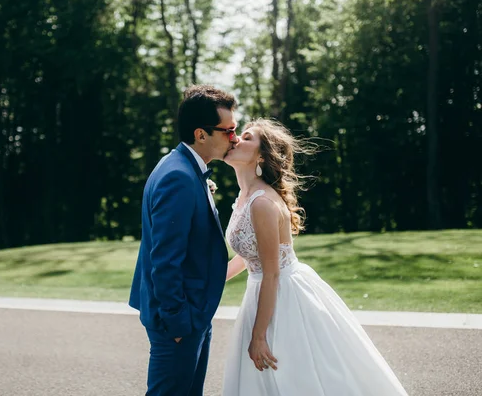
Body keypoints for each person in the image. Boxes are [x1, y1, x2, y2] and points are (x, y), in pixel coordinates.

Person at [222, 118, 409, 396]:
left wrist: (259, 336)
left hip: (284, 297)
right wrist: (212, 279)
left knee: (296, 374)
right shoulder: (245, 196)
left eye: (247, 137)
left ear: (261, 155)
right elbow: (251, 257)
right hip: (262, 291)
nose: (237, 139)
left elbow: (272, 273)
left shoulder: (261, 202)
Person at [129, 84, 239, 396]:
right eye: (228, 131)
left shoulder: (185, 167)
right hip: (178, 320)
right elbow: (165, 260)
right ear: (201, 134)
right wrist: (179, 325)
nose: (235, 137)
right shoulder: (178, 177)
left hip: (192, 313)